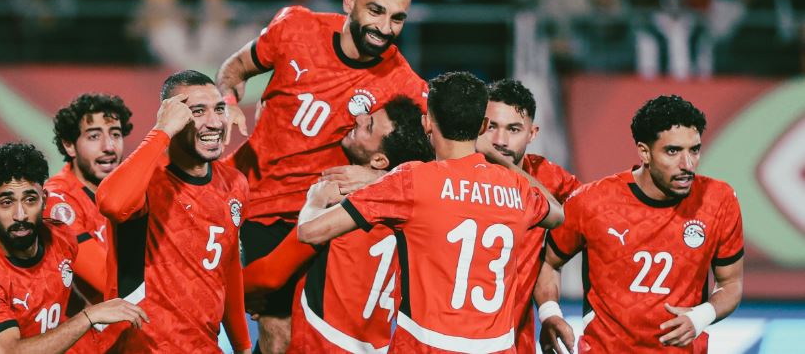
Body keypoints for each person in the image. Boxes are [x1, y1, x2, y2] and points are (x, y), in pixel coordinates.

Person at [216, 0, 428, 353]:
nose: (385, 28)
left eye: (398, 18)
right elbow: (233, 69)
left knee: (300, 330)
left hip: (318, 215)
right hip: (255, 201)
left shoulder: (404, 82)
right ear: (350, 0)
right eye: (375, 11)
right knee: (274, 328)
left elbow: (439, 153)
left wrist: (376, 179)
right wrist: (228, 102)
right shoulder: (296, 28)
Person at [297, 72, 564, 353]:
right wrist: (499, 160)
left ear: (427, 122)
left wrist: (316, 198)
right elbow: (557, 214)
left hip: (424, 346)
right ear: (483, 126)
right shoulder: (517, 188)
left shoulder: (411, 181)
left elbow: (310, 231)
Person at [535, 95, 744, 353]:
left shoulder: (718, 200)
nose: (687, 164)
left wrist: (701, 316)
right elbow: (548, 263)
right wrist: (549, 313)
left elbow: (731, 284)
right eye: (673, 151)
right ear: (644, 152)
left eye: (694, 150)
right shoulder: (592, 202)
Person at [243, 96, 434, 353]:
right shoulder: (419, 214)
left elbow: (269, 276)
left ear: (379, 160)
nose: (358, 118)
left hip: (319, 343)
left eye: (369, 126)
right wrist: (385, 178)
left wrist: (235, 291)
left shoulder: (341, 210)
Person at [96, 70, 251, 353]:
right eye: (198, 111)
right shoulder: (148, 180)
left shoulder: (234, 185)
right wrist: (161, 131)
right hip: (142, 347)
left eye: (218, 109)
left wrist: (242, 346)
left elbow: (228, 270)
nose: (215, 122)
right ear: (174, 116)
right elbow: (112, 203)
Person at [0, 142, 147, 354]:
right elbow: (10, 352)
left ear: (44, 199)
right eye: (6, 202)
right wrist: (89, 317)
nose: (20, 215)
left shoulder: (62, 237)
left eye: (30, 200)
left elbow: (62, 294)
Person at [475, 79, 580, 354]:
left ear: (532, 133)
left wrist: (548, 310)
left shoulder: (551, 180)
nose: (499, 141)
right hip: (448, 340)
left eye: (513, 129)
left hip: (514, 344)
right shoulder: (451, 175)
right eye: (491, 127)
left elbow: (602, 216)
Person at [46, 93, 134, 352]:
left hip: (120, 338)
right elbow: (105, 280)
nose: (109, 146)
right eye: (94, 136)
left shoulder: (128, 191)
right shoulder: (57, 201)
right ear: (69, 145)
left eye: (115, 134)